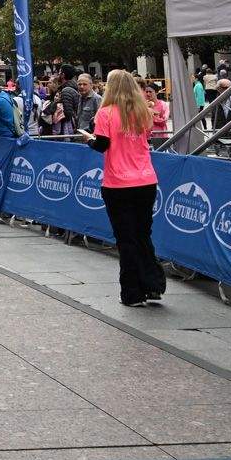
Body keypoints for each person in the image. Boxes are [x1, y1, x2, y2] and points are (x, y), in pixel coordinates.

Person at [80, 70, 164, 308]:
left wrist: (88, 139)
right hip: (146, 179)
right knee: (143, 235)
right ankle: (152, 285)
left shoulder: (106, 113)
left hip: (118, 182)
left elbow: (103, 145)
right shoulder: (142, 112)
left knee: (125, 239)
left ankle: (132, 292)